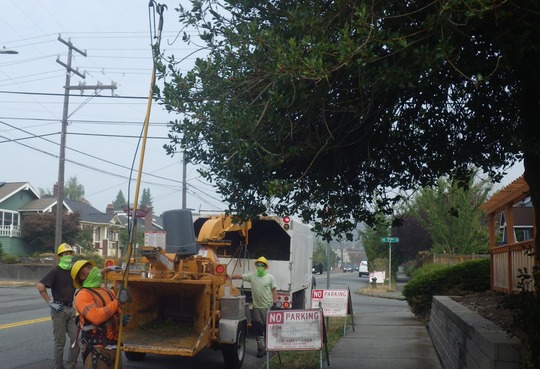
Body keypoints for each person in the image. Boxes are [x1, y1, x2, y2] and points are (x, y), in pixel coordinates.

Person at [71, 260, 128, 369]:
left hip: (114, 347)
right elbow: (96, 318)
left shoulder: (107, 291)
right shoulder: (83, 295)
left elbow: (115, 311)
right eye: (88, 268)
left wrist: (121, 318)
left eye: (92, 267)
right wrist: (117, 302)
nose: (94, 269)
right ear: (82, 276)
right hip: (97, 349)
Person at [36, 243, 79, 369]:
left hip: (71, 309)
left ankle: (71, 365)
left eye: (70, 253)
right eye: (65, 254)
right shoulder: (55, 270)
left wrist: (107, 269)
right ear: (60, 256)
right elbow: (40, 286)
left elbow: (89, 273)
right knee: (60, 342)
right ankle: (58, 367)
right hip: (59, 309)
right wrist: (50, 302)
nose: (68, 256)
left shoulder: (73, 270)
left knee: (77, 339)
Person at [231, 256, 277, 358]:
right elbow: (240, 276)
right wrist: (229, 276)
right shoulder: (252, 276)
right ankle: (261, 348)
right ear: (256, 266)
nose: (260, 266)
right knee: (258, 328)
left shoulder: (270, 277)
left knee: (268, 328)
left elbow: (274, 290)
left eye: (262, 265)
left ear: (265, 267)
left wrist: (274, 302)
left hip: (267, 307)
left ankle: (271, 349)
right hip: (257, 308)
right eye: (258, 265)